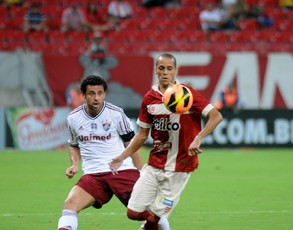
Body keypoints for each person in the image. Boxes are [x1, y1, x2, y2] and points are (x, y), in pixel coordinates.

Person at [109, 53, 223, 230]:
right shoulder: (149, 98)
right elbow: (141, 135)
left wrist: (198, 138)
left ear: (175, 70)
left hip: (179, 167)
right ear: (156, 70)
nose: (165, 72)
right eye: (161, 68)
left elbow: (216, 116)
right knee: (133, 213)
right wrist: (122, 157)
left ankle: (153, 223)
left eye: (169, 68)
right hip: (154, 165)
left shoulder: (187, 94)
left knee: (154, 218)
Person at [57, 75, 144, 230]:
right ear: (83, 95)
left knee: (146, 210)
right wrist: (75, 164)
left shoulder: (116, 113)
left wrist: (142, 173)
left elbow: (131, 145)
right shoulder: (73, 118)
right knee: (70, 204)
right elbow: (74, 145)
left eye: (100, 93)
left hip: (122, 170)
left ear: (104, 94)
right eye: (91, 93)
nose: (96, 98)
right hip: (93, 175)